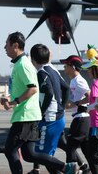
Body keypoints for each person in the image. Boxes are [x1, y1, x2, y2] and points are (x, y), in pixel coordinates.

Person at [1, 33, 79, 174]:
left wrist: (14, 102)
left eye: (6, 44)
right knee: (30, 154)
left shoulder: (23, 65)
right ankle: (66, 167)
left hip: (25, 116)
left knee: (10, 150)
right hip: (29, 116)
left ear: (15, 45)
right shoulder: (21, 64)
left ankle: (66, 167)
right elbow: (27, 87)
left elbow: (33, 88)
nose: (4, 47)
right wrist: (9, 98)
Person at [29, 44, 70, 174]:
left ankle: (69, 169)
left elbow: (48, 92)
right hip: (57, 117)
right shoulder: (53, 70)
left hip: (50, 119)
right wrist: (62, 107)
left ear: (32, 59)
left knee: (41, 155)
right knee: (46, 157)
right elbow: (66, 88)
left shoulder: (42, 73)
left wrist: (40, 112)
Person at [60, 55, 92, 171]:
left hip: (81, 119)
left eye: (66, 65)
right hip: (80, 118)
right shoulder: (74, 81)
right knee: (89, 153)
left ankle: (71, 171)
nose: (64, 68)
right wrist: (71, 104)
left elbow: (90, 97)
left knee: (70, 148)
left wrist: (77, 103)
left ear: (72, 67)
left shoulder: (79, 81)